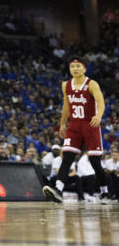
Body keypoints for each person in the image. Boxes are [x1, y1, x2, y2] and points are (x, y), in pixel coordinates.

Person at [43, 58, 109, 203]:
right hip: (74, 125)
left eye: (78, 66)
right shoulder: (66, 85)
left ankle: (105, 191)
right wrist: (62, 124)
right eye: (72, 66)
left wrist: (98, 116)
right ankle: (58, 189)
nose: (75, 69)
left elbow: (101, 102)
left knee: (95, 161)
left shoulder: (91, 84)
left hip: (90, 124)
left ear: (84, 69)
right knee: (67, 157)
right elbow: (66, 106)